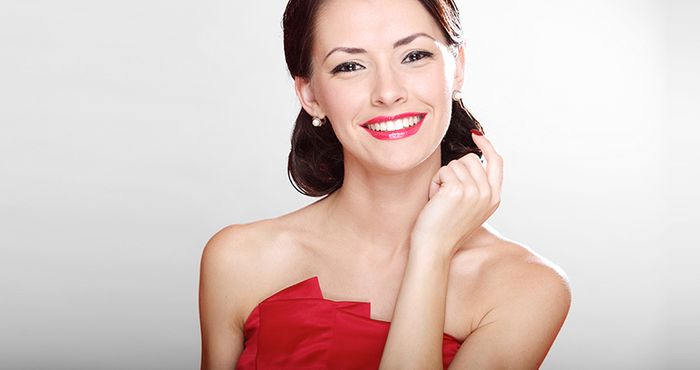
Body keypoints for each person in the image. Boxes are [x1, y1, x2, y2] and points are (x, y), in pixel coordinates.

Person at [199, 0, 571, 368]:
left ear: (457, 68)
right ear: (311, 96)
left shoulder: (526, 287)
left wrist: (431, 249)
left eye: (413, 56)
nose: (388, 92)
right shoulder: (239, 260)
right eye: (349, 66)